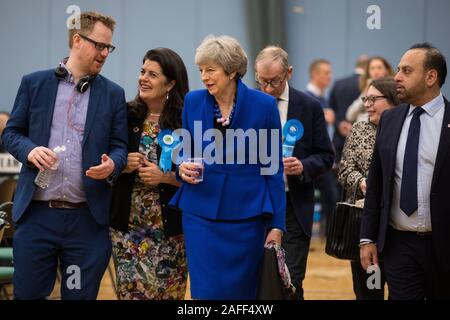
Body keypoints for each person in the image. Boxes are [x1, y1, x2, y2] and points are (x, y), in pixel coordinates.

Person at [1, 11, 128, 299]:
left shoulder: (113, 94)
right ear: (77, 40)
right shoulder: (34, 84)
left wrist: (113, 166)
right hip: (36, 218)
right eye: (100, 45)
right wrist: (30, 150)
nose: (105, 53)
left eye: (109, 47)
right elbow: (11, 134)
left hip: (86, 223)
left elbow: (120, 147)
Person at [170, 35, 286, 300]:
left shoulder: (264, 105)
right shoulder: (193, 101)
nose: (204, 76)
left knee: (242, 293)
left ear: (232, 70)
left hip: (247, 217)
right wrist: (181, 166)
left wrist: (277, 225)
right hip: (200, 215)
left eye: (210, 70)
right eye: (201, 70)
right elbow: (183, 149)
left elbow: (273, 169)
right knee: (205, 292)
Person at [360, 43, 450, 299]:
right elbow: (376, 184)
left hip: (443, 245)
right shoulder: (390, 120)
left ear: (431, 77)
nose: (397, 77)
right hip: (398, 245)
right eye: (398, 69)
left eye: (407, 71)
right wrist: (367, 238)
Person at [255, 46, 334, 299]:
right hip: (255, 204)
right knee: (256, 282)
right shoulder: (247, 104)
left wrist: (303, 166)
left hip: (294, 206)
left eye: (274, 82)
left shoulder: (310, 106)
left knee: (290, 282)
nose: (267, 88)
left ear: (288, 73)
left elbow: (326, 156)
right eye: (261, 81)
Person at [109, 48, 189, 300]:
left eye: (152, 74)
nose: (143, 78)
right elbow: (104, 162)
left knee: (167, 295)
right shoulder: (124, 114)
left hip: (171, 232)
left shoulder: (185, 121)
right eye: (142, 71)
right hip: (127, 231)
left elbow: (201, 177)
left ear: (171, 83)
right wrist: (121, 164)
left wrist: (166, 177)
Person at [338, 77, 400, 299]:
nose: (367, 104)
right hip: (365, 228)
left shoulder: (405, 130)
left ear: (393, 100)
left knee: (401, 291)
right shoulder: (359, 129)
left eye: (373, 99)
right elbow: (344, 169)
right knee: (370, 290)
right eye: (366, 98)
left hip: (398, 233)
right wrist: (362, 182)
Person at [305, 59, 338, 238]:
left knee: (329, 197)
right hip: (312, 157)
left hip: (322, 156)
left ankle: (328, 234)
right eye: (326, 73)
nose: (329, 76)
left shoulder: (324, 98)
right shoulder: (308, 99)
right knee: (328, 196)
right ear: (315, 74)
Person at [329, 55, 368, 165]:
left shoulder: (338, 83)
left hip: (339, 139)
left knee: (339, 175)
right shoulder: (367, 86)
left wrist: (340, 124)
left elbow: (331, 110)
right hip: (362, 142)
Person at [346, 56, 394, 123]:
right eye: (372, 68)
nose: (376, 72)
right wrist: (365, 91)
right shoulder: (364, 88)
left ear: (387, 70)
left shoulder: (393, 89)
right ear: (368, 72)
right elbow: (350, 115)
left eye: (379, 68)